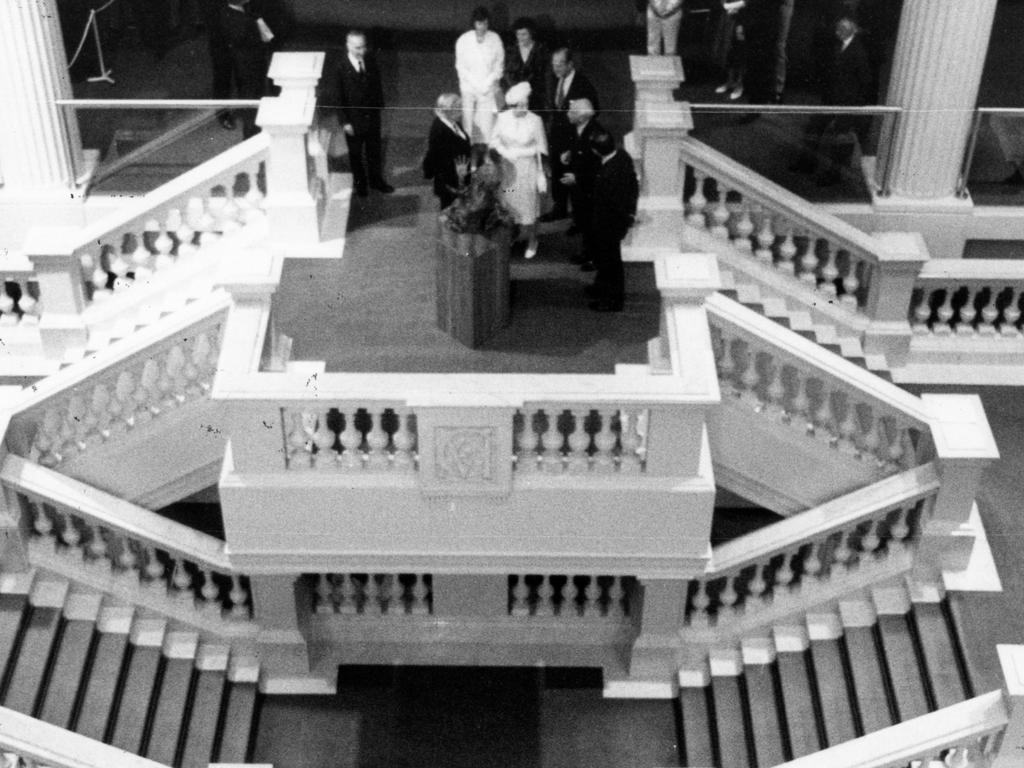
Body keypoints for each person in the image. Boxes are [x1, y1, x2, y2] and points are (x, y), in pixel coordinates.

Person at [789, 15, 873, 186]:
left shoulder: (858, 51)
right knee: (814, 128)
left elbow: (865, 81)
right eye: (837, 29)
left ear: (851, 30)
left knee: (840, 139)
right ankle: (808, 163)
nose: (837, 32)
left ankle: (834, 174)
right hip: (831, 97)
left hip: (847, 102)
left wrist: (853, 106)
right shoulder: (839, 45)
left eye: (841, 29)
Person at [489, 82, 548, 260]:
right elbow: (494, 142)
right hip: (508, 170)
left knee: (530, 206)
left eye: (526, 104)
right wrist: (506, 153)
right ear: (512, 105)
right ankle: (511, 236)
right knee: (508, 203)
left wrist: (542, 172)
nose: (524, 108)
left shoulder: (536, 120)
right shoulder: (502, 118)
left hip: (527, 170)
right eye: (520, 105)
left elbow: (542, 148)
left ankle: (532, 240)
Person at [542, 47, 600, 223]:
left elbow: (594, 110)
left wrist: (579, 121)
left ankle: (578, 213)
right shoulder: (554, 79)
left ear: (570, 64)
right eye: (554, 64)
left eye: (560, 64)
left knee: (574, 174)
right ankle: (559, 208)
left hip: (574, 138)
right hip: (556, 136)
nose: (556, 68)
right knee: (558, 172)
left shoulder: (583, 84)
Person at [333, 30, 394, 197]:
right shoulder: (340, 67)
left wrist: (379, 108)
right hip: (353, 120)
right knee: (356, 154)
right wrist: (344, 122)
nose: (362, 51)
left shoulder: (370, 61)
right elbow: (338, 97)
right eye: (357, 48)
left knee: (374, 151)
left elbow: (377, 85)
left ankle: (376, 180)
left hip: (372, 116)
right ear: (348, 46)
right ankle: (360, 185)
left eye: (364, 47)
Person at [584, 129, 638, 312]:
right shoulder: (622, 157)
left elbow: (614, 202)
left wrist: (626, 217)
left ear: (596, 151)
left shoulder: (609, 173)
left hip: (608, 224)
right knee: (605, 259)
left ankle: (612, 300)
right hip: (611, 221)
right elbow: (633, 187)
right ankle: (601, 287)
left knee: (610, 262)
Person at [219, 0, 274, 138]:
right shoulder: (237, 19)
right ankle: (251, 135)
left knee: (256, 97)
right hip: (248, 66)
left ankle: (256, 130)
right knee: (251, 101)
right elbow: (249, 40)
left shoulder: (241, 13)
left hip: (252, 64)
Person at [558, 98, 603, 265]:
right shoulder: (580, 128)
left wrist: (577, 178)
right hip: (580, 189)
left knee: (591, 224)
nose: (568, 115)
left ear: (582, 117)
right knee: (584, 221)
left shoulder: (596, 134)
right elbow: (581, 150)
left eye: (572, 112)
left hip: (590, 189)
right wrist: (570, 153)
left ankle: (593, 258)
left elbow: (599, 167)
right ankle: (587, 253)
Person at [455, 6, 505, 148]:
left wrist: (486, 84)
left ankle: (485, 156)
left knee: (487, 124)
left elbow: (499, 66)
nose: (483, 27)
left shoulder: (495, 39)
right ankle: (467, 151)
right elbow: (460, 67)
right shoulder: (463, 40)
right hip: (468, 88)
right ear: (474, 23)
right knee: (468, 122)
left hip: (488, 88)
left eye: (485, 23)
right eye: (479, 23)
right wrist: (475, 84)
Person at [423, 93, 473, 209]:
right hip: (450, 181)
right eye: (457, 108)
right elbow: (436, 158)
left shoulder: (453, 123)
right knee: (450, 212)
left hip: (459, 177)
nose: (461, 111)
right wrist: (459, 174)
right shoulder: (439, 130)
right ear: (447, 110)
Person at [501, 18, 549, 114]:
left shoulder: (541, 50)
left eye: (524, 34)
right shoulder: (511, 50)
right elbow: (506, 74)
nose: (520, 38)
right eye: (518, 34)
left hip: (536, 100)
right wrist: (517, 92)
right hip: (516, 99)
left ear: (531, 34)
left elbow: (544, 77)